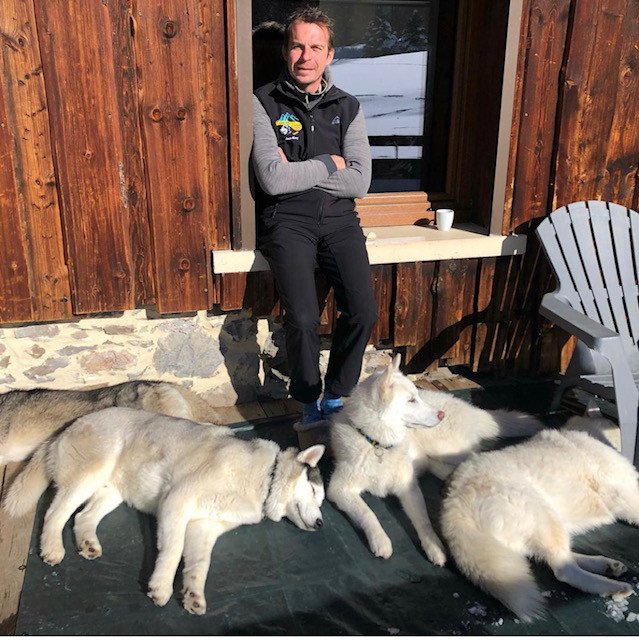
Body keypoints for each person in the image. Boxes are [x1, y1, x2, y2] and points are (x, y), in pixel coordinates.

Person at [251, 6, 378, 424]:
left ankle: (338, 393)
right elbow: (272, 179)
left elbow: (360, 182)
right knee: (303, 318)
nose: (306, 56)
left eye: (316, 47)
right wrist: (329, 163)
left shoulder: (348, 105)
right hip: (287, 222)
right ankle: (308, 399)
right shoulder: (264, 102)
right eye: (298, 46)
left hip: (341, 220)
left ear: (330, 54)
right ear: (286, 51)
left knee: (362, 311)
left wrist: (298, 172)